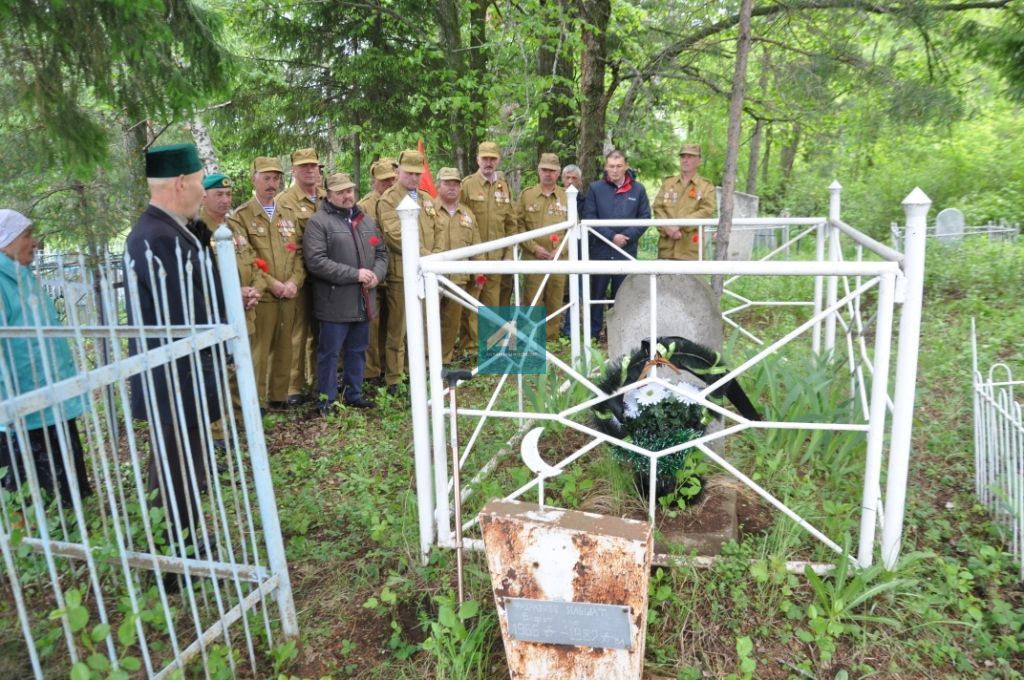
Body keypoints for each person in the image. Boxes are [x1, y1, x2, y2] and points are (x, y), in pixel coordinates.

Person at [124, 143, 224, 556]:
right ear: (181, 182)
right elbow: (180, 311)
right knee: (172, 465)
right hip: (173, 375)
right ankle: (168, 555)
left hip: (185, 370)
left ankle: (183, 541)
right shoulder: (154, 237)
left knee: (185, 463)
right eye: (201, 182)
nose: (204, 192)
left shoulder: (175, 231)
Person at [0, 210, 92, 508]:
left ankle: (73, 523)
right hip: (19, 406)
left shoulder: (22, 275)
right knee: (30, 494)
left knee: (65, 481)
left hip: (52, 397)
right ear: (6, 241)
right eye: (26, 235)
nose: (34, 242)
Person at [303, 173, 388, 414]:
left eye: (349, 190)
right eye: (340, 192)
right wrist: (355, 274)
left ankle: (354, 394)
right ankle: (326, 400)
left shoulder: (365, 221)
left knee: (358, 350)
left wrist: (376, 275)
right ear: (328, 195)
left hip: (363, 301)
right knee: (329, 354)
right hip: (334, 303)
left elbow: (380, 252)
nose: (346, 196)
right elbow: (317, 262)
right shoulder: (318, 223)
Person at [227, 157, 305, 409]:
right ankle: (256, 402)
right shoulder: (241, 216)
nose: (272, 184)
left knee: (286, 346)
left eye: (276, 179)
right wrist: (272, 284)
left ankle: (279, 397)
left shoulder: (288, 214)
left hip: (289, 293)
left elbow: (298, 253)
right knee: (259, 352)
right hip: (263, 295)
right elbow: (248, 257)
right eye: (266, 178)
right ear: (254, 179)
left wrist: (294, 281)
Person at [376, 149, 441, 395]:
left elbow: (438, 229)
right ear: (398, 172)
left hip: (426, 272)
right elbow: (394, 235)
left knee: (422, 324)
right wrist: (427, 254)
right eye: (409, 173)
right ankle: (394, 379)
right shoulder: (390, 199)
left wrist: (435, 255)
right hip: (401, 273)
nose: (414, 178)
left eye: (417, 174)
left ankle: (415, 371)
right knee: (398, 329)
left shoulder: (426, 198)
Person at [582, 149, 650, 339]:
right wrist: (611, 237)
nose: (615, 170)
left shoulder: (638, 189)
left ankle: (617, 334)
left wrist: (626, 237)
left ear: (626, 166)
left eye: (619, 166)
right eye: (611, 166)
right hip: (600, 251)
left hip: (626, 251)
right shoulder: (595, 188)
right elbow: (589, 217)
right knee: (596, 295)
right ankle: (593, 335)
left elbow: (645, 218)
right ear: (605, 167)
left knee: (622, 296)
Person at [277, 148, 326, 405]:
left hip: (326, 278)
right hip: (300, 276)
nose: (310, 170)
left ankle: (319, 381)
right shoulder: (285, 201)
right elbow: (289, 244)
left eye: (314, 166)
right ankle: (293, 386)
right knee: (298, 332)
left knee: (321, 332)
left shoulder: (326, 198)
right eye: (304, 166)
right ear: (293, 170)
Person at [459, 141, 516, 342]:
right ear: (477, 160)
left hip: (497, 258)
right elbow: (459, 218)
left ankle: (490, 344)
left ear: (498, 160)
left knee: (492, 304)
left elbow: (511, 223)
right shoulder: (466, 185)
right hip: (473, 257)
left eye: (493, 159)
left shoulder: (504, 187)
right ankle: (470, 347)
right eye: (485, 158)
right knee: (471, 302)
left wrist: (509, 254)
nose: (489, 163)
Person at [433, 167, 483, 362]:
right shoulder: (429, 210)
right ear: (438, 186)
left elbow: (476, 246)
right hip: (433, 277)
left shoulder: (468, 214)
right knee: (429, 321)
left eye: (455, 184)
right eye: (447, 183)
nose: (451, 187)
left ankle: (443, 359)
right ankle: (428, 360)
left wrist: (480, 273)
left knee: (451, 323)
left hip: (459, 278)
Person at [518, 153, 569, 342]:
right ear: (539, 171)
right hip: (534, 258)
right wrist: (533, 248)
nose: (548, 174)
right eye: (544, 170)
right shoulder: (527, 195)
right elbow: (518, 225)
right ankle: (531, 339)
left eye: (552, 171)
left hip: (559, 259)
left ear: (558, 173)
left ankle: (551, 341)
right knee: (532, 300)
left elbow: (574, 228)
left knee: (555, 300)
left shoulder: (566, 196)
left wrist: (561, 249)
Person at [358, 158, 397, 384]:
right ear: (374, 182)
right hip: (374, 273)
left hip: (397, 272)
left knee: (395, 325)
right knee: (372, 323)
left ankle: (391, 367)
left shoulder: (401, 201)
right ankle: (371, 371)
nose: (389, 184)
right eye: (384, 181)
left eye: (392, 179)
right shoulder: (364, 206)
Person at [654, 144, 716, 260]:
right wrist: (667, 228)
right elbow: (658, 208)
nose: (685, 160)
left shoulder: (705, 186)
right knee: (664, 278)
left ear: (699, 161)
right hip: (667, 248)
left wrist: (680, 224)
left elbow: (707, 210)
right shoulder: (668, 183)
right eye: (683, 157)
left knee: (690, 278)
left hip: (690, 250)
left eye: (690, 157)